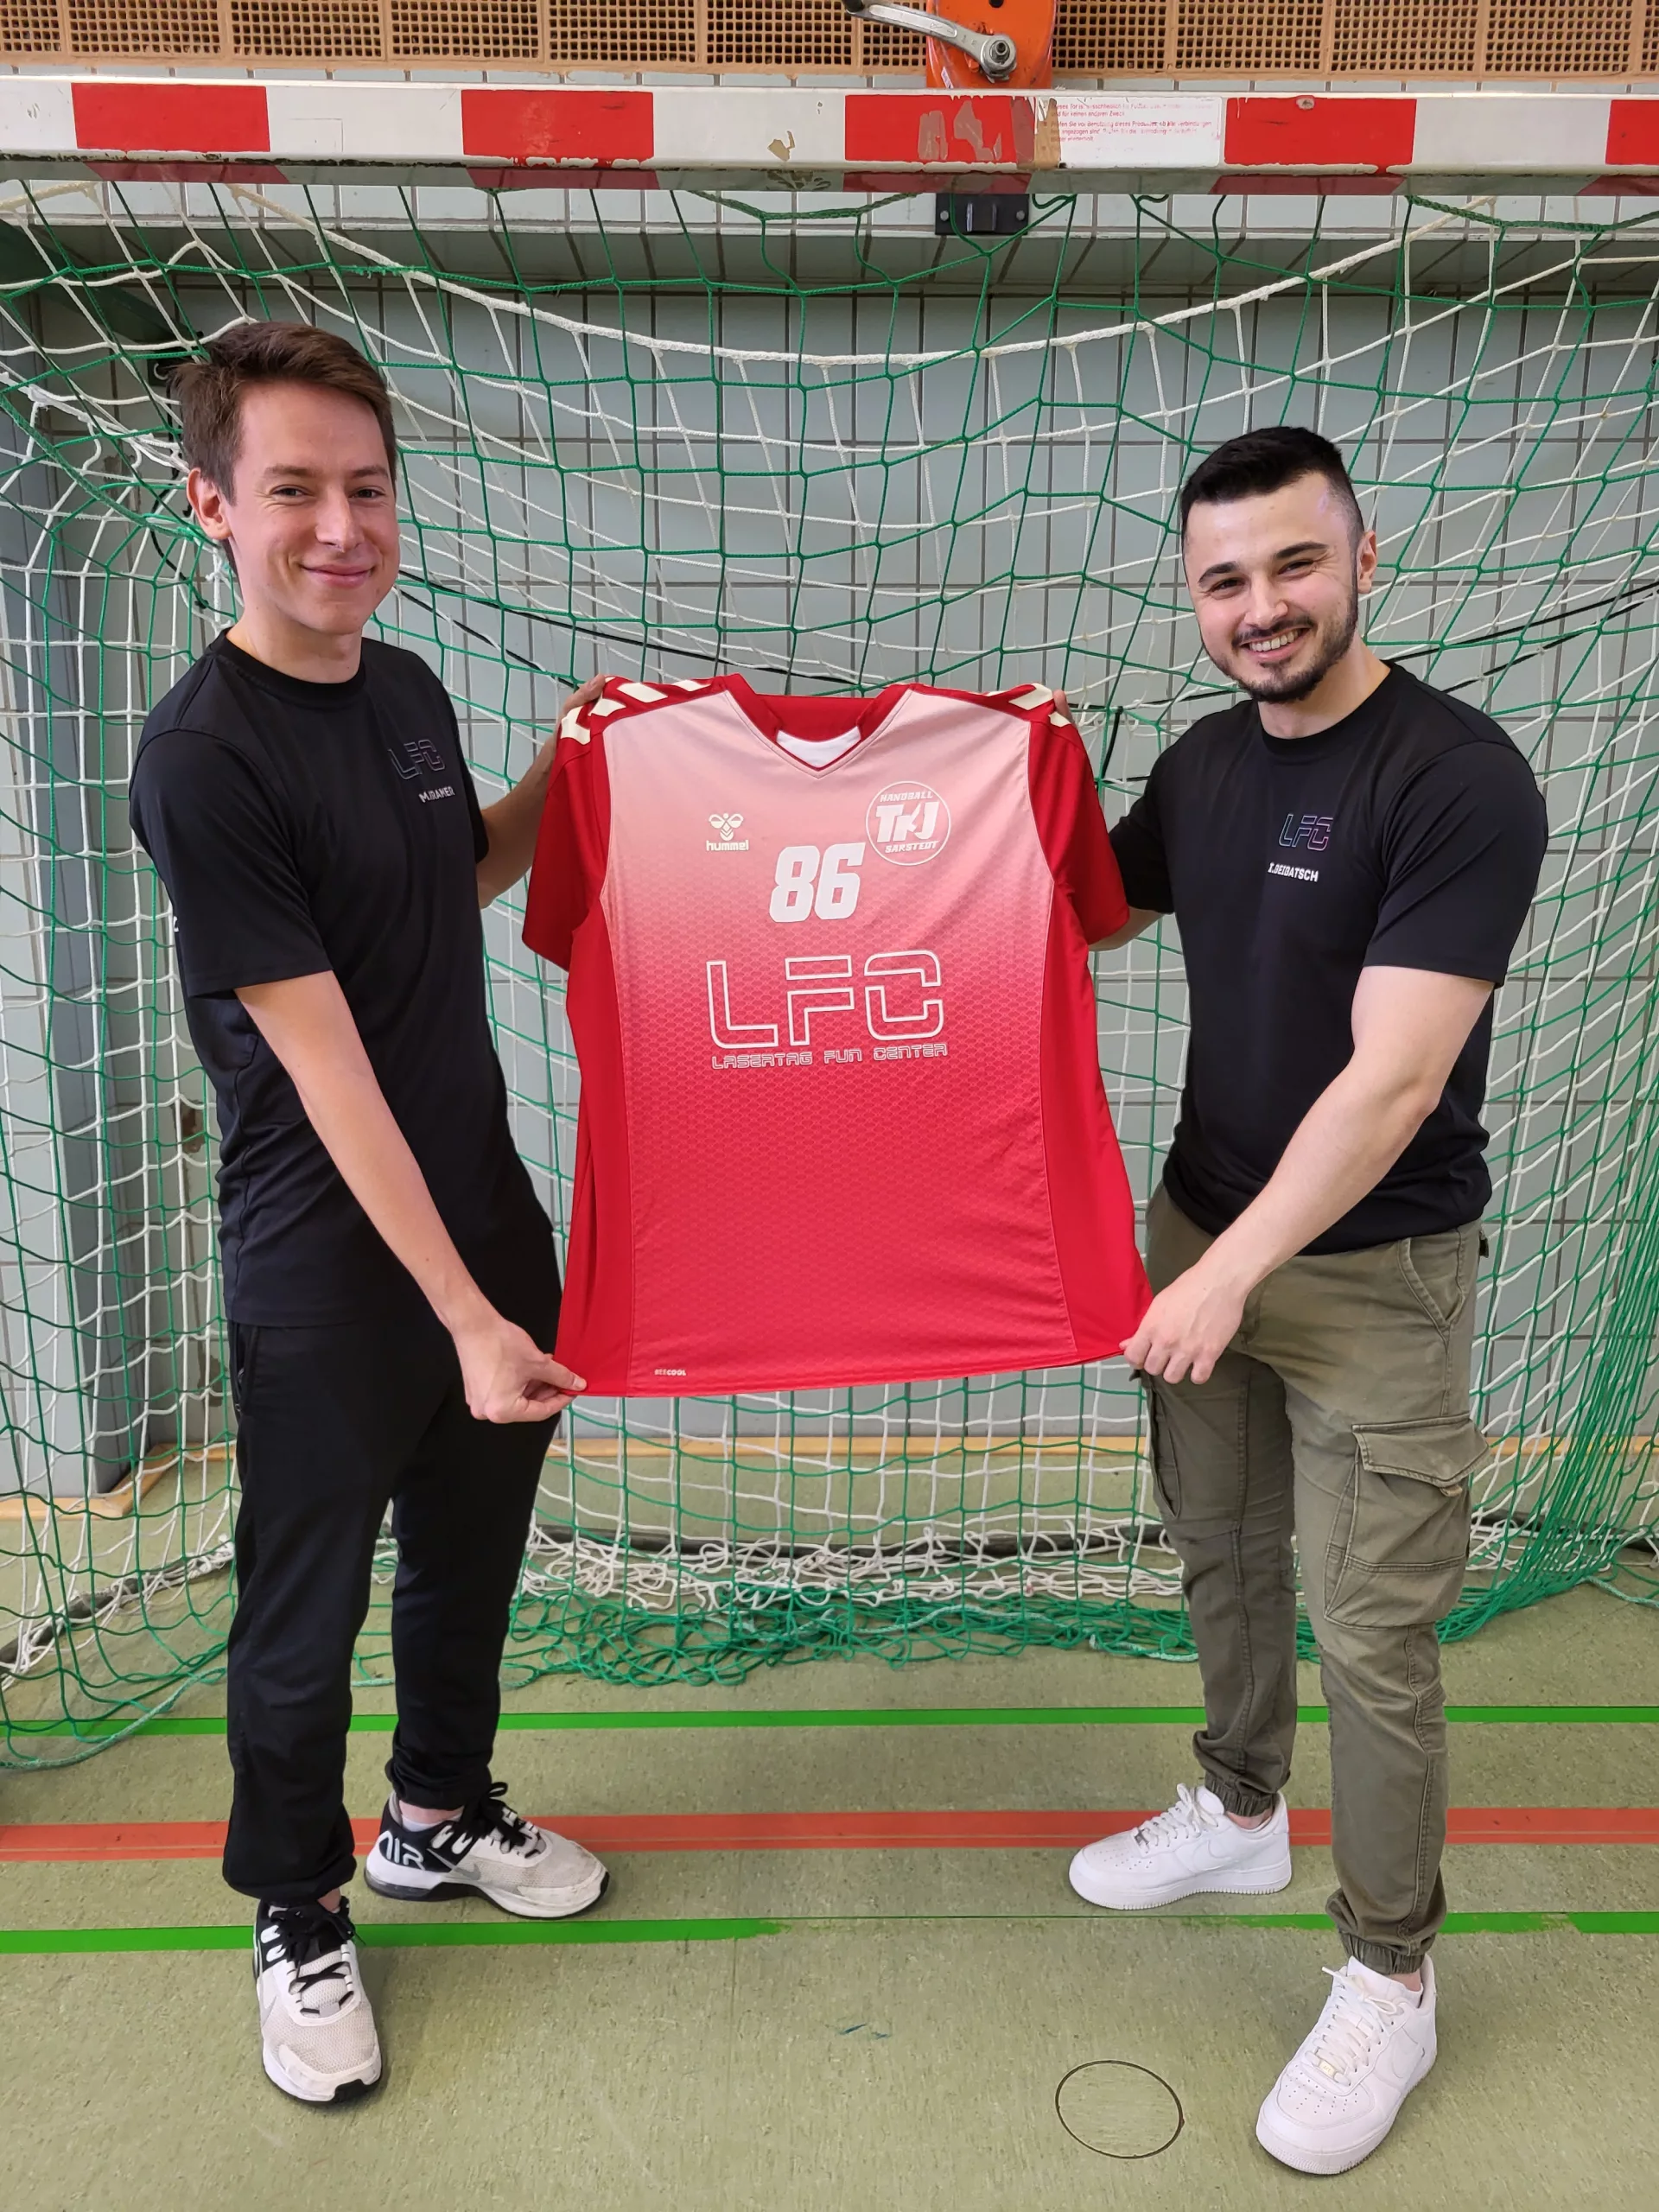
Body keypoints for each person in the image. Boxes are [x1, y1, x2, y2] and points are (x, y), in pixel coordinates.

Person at [129, 321, 610, 2107]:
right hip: (327, 1260)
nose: (339, 526)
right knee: (303, 1606)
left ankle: (436, 1813)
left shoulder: (403, 688)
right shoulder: (203, 759)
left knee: (469, 1559)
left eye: (366, 487)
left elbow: (450, 874)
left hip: (480, 1208)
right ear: (213, 504)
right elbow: (326, 1067)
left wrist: (573, 766)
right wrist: (466, 1314)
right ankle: (300, 1904)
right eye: (293, 491)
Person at [1067, 428, 1547, 2176]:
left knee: (1375, 1638)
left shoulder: (1459, 777)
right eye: (1225, 581)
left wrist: (1230, 1268)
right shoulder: (1206, 765)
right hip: (1206, 1230)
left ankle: (1392, 1971)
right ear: (1194, 600)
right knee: (1219, 1546)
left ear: (1362, 560)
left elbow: (1395, 1078)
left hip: (1368, 1279)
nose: (1261, 607)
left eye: (1292, 565)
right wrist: (989, 777)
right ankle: (1239, 1804)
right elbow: (1094, 910)